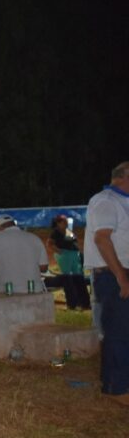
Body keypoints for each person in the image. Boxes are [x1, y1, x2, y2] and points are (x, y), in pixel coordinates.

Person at [83, 162, 129, 405]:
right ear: (123, 177)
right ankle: (117, 388)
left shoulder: (122, 202)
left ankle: (117, 381)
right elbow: (102, 239)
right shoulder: (106, 201)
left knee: (122, 330)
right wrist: (121, 276)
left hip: (119, 273)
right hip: (113, 274)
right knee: (119, 332)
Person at [0, 214, 48, 294]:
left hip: (3, 290)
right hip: (33, 289)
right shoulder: (34, 238)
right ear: (14, 224)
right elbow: (43, 268)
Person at [47, 215, 91, 310]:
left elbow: (74, 242)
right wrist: (59, 251)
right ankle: (74, 303)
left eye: (66, 221)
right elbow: (49, 244)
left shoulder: (68, 231)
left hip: (74, 255)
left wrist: (79, 253)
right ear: (58, 223)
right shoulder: (55, 232)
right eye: (64, 221)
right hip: (65, 255)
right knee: (69, 278)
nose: (66, 223)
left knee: (78, 277)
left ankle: (83, 302)